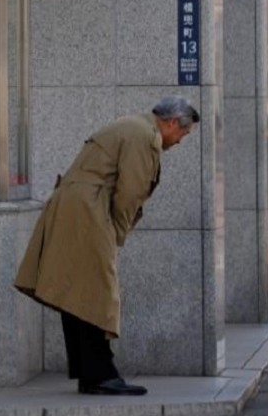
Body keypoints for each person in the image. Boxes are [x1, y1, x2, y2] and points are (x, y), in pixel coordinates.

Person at [14, 96, 200, 396]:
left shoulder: (134, 125)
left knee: (77, 291)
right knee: (95, 292)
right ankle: (100, 374)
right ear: (171, 122)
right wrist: (115, 234)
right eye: (183, 133)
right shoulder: (145, 135)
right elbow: (130, 192)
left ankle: (92, 372)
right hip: (88, 210)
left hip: (78, 205)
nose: (180, 141)